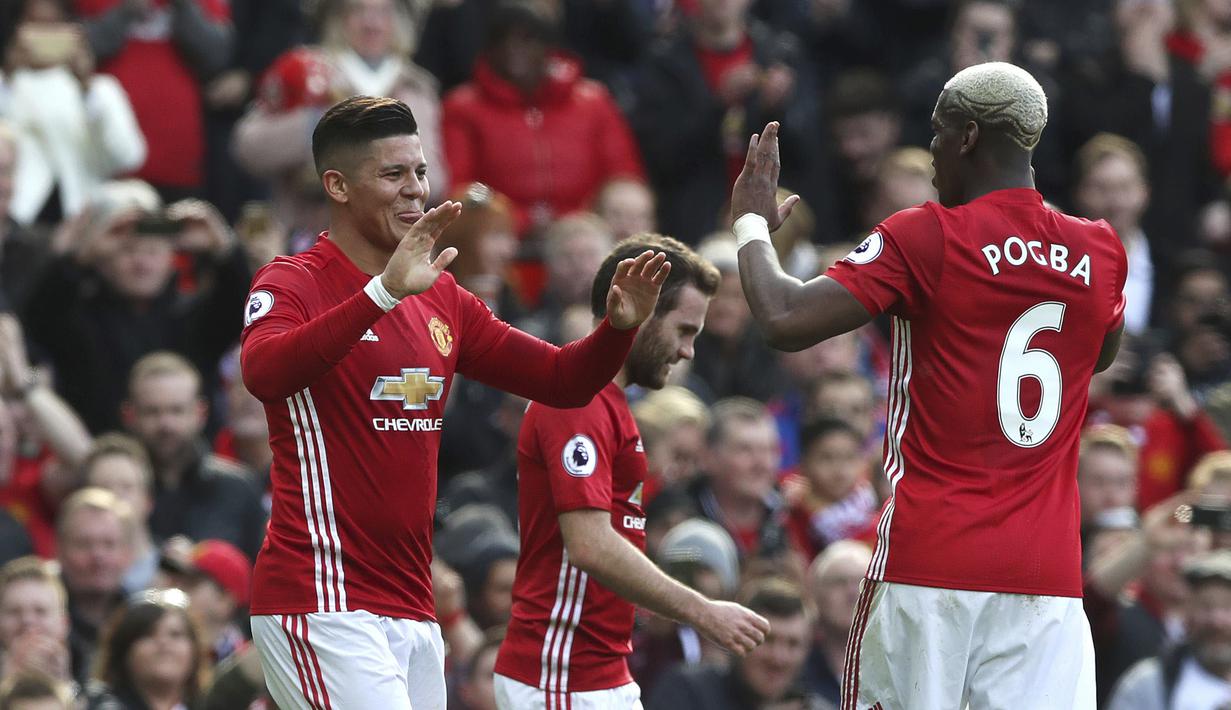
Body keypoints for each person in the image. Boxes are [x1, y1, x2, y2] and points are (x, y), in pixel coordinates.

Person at [240, 95, 671, 710]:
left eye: (419, 171)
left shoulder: (441, 295)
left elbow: (561, 379)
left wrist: (617, 330)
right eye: (393, 174)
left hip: (413, 604)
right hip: (322, 596)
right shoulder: (293, 280)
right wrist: (382, 293)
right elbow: (263, 372)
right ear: (337, 185)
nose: (415, 189)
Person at [730, 61, 1127, 708]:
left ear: (966, 136)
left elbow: (782, 317)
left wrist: (749, 223)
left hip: (931, 562)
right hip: (1047, 578)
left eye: (938, 132)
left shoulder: (927, 234)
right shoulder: (1100, 250)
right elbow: (1099, 354)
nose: (932, 151)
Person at [494, 234, 768, 709]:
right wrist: (702, 611)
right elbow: (590, 545)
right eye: (684, 331)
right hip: (560, 674)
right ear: (640, 311)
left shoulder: (610, 401)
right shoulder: (576, 397)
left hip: (596, 671)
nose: (688, 352)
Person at [645, 578, 817, 710]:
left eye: (793, 644)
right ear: (738, 639)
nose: (778, 658)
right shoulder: (687, 690)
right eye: (766, 640)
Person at [1106, 549, 1231, 709]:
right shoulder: (1146, 685)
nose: (1217, 621)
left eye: (1228, 607)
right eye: (1205, 606)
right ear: (1187, 614)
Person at [82, 588, 207, 710]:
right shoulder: (95, 705)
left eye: (175, 634)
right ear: (123, 649)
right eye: (148, 634)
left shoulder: (209, 705)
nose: (163, 642)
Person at [0, 557, 74, 688]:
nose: (27, 620)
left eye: (40, 611)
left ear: (64, 624)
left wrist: (64, 685)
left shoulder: (92, 683)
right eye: (14, 611)